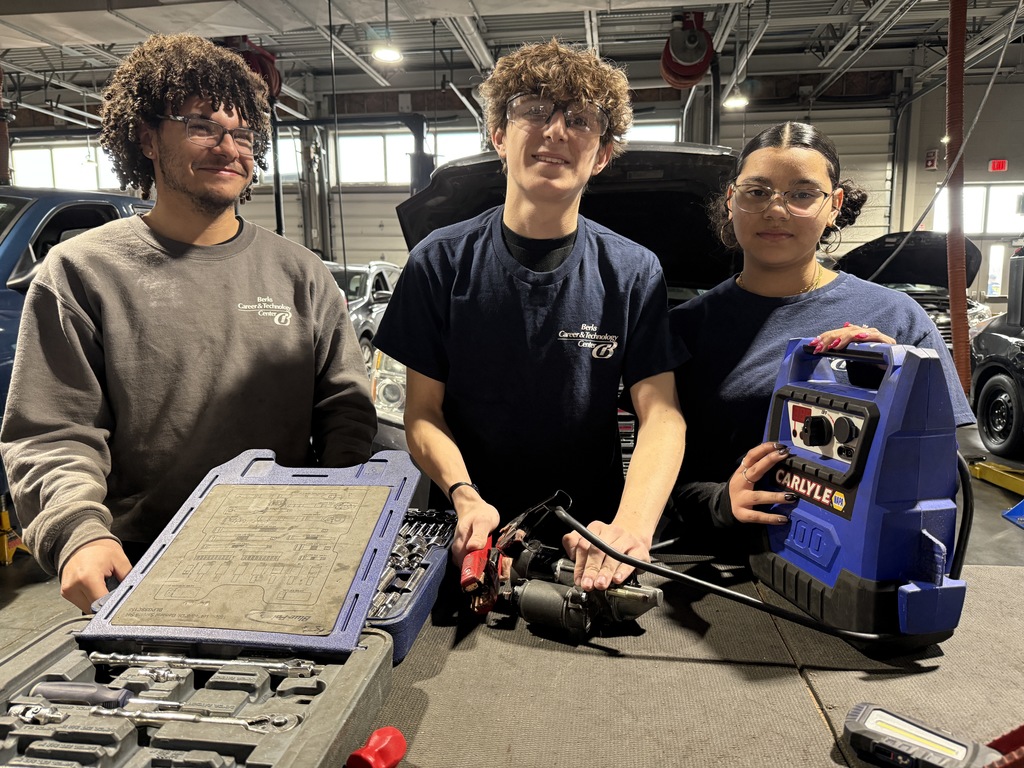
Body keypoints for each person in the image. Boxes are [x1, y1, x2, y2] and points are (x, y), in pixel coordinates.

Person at [0, 33, 377, 612]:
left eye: (243, 133)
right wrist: (78, 530)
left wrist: (340, 514)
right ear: (147, 138)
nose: (228, 147)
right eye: (202, 125)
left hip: (289, 553)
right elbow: (53, 431)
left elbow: (345, 410)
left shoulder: (299, 273)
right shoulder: (81, 271)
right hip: (140, 565)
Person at [373, 39, 686, 593]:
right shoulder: (440, 262)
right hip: (467, 536)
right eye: (534, 110)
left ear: (604, 152)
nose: (556, 131)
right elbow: (422, 414)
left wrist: (631, 527)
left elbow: (662, 416)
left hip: (590, 542)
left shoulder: (634, 271)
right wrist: (464, 495)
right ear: (498, 135)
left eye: (581, 119)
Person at [669, 121, 973, 546]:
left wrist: (900, 379)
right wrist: (721, 502)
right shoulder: (685, 326)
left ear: (834, 205)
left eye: (802, 194)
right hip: (716, 564)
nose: (776, 210)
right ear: (731, 200)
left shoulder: (896, 317)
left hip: (851, 567)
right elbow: (663, 474)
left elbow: (935, 471)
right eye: (757, 192)